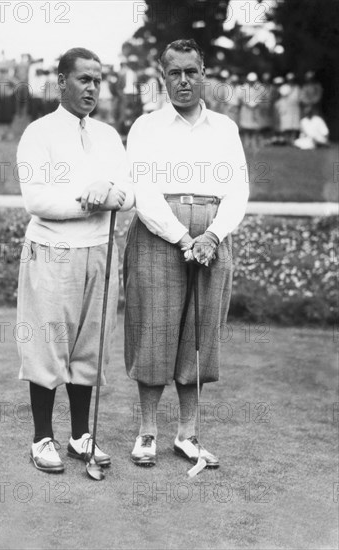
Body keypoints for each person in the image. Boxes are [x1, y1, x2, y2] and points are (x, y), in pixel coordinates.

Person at [124, 39, 249, 468]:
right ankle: (147, 432)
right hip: (161, 235)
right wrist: (181, 236)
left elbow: (238, 190)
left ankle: (187, 434)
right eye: (174, 73)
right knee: (154, 331)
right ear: (162, 77)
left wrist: (212, 236)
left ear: (203, 72)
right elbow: (142, 192)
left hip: (212, 235)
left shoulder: (226, 128)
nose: (183, 81)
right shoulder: (146, 127)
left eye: (191, 72)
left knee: (200, 336)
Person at [16, 47, 134, 473]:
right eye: (84, 79)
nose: (92, 88)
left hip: (100, 251)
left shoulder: (106, 135)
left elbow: (129, 190)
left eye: (98, 81)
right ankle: (41, 437)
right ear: (62, 81)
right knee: (48, 344)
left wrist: (109, 190)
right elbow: (37, 199)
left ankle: (80, 436)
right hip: (53, 250)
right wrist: (92, 197)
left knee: (91, 346)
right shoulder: (39, 133)